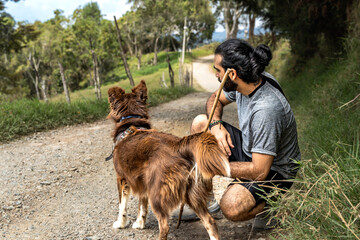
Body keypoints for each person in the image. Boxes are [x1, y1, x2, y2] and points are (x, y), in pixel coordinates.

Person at [189, 39, 301, 228]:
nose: (216, 75)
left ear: (231, 74)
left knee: (232, 205)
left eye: (218, 70)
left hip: (275, 170)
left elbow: (259, 171)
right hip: (253, 151)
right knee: (201, 123)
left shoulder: (266, 109)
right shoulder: (246, 80)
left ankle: (269, 207)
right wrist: (216, 126)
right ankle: (205, 202)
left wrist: (213, 166)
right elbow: (214, 98)